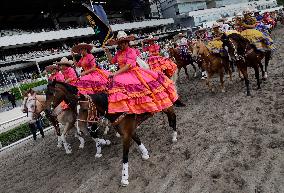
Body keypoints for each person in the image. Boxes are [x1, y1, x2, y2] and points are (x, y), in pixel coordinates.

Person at [104, 31, 178, 114]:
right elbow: (111, 62)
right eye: (120, 43)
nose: (121, 45)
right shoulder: (118, 53)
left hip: (132, 71)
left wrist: (115, 73)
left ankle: (150, 105)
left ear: (127, 43)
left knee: (142, 89)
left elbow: (128, 66)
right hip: (123, 73)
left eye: (123, 43)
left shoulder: (131, 51)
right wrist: (107, 52)